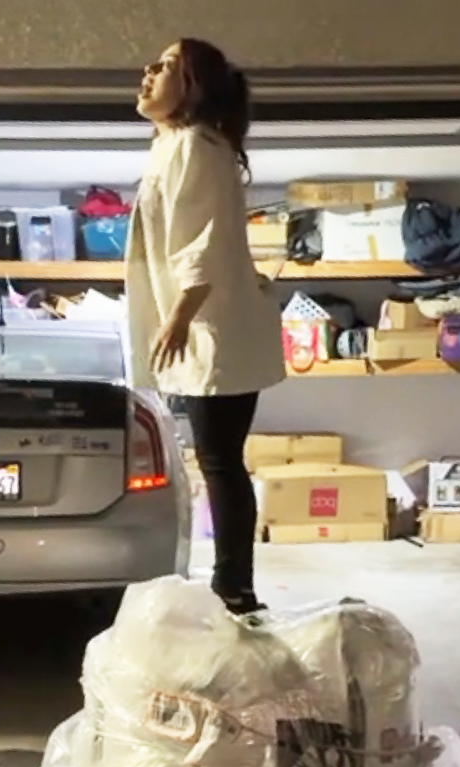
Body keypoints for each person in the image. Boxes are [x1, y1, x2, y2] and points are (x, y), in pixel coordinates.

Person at [127, 38, 286, 617]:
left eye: (166, 66)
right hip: (205, 326)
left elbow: (203, 241)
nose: (147, 72)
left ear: (193, 87)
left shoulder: (198, 144)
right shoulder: (173, 145)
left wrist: (178, 319)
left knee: (221, 461)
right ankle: (230, 582)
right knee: (219, 459)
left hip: (213, 328)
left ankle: (234, 588)